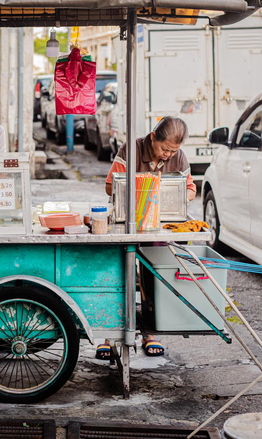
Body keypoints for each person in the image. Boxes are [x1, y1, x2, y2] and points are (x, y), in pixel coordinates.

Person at [98, 116, 197, 359]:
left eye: (173, 151)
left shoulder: (178, 157)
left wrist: (177, 195)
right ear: (153, 137)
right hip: (128, 222)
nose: (167, 155)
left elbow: (191, 189)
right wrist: (140, 186)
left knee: (153, 275)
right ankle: (109, 335)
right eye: (164, 149)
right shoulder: (131, 149)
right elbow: (110, 186)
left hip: (159, 227)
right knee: (119, 273)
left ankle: (150, 334)